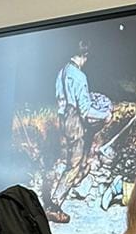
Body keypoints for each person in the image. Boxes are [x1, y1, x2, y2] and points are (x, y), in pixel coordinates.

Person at [44, 41, 113, 223]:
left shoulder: (62, 72)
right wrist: (105, 115)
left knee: (75, 161)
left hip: (64, 119)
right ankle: (54, 206)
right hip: (75, 120)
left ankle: (64, 192)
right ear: (85, 55)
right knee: (74, 165)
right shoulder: (79, 76)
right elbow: (85, 110)